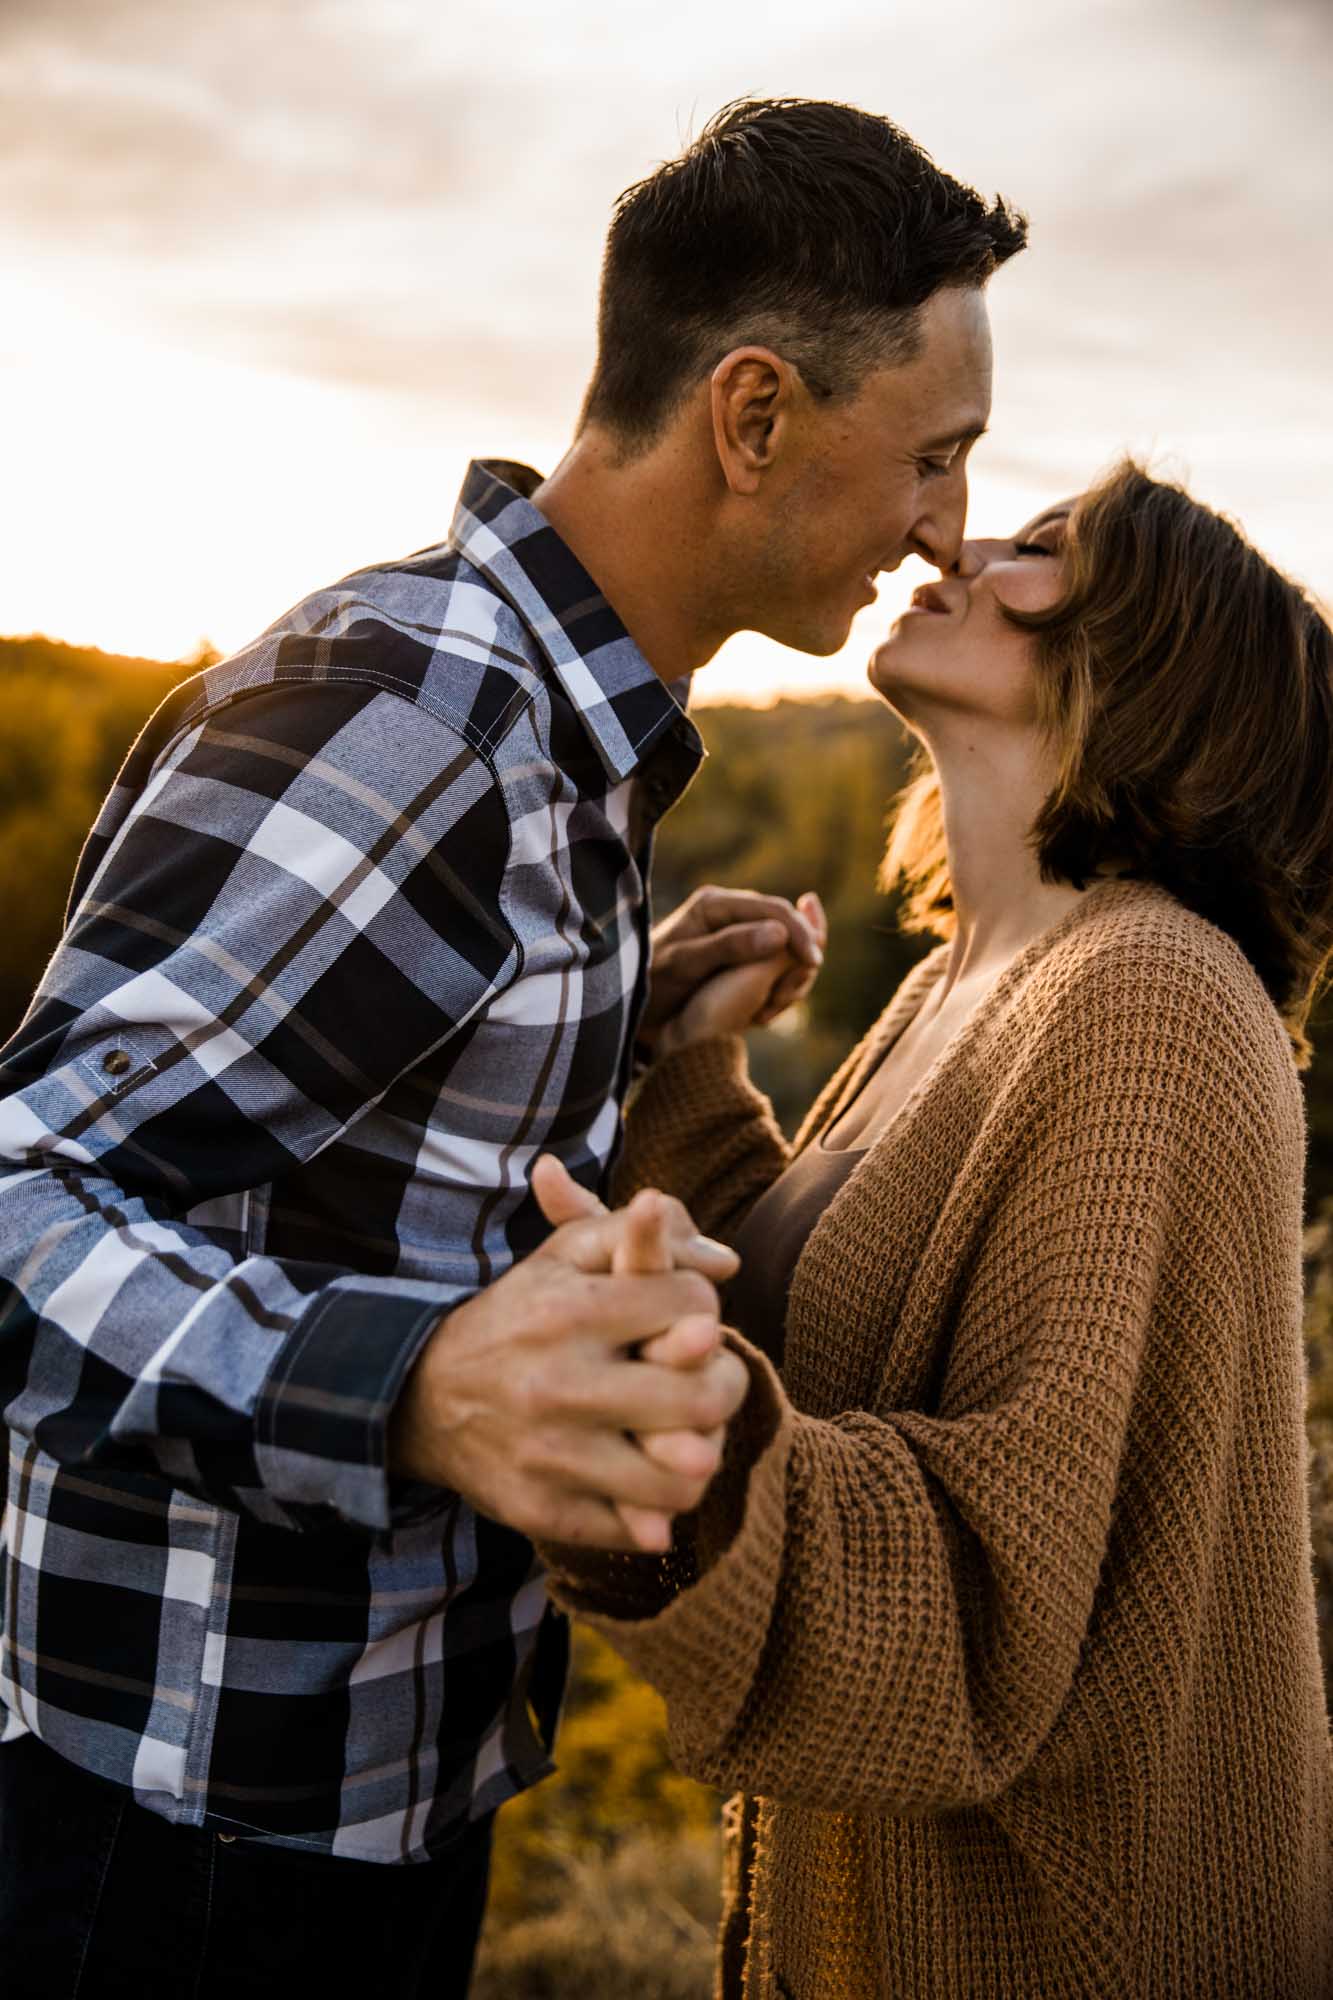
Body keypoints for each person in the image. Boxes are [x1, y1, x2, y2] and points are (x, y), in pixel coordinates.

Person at [0, 98, 1027, 1996]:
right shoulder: (424, 722)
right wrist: (412, 1390)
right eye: (934, 457)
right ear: (752, 416)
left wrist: (624, 1021)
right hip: (182, 1841)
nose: (946, 525)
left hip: (368, 1800)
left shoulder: (561, 752)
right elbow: (21, 1196)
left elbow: (336, 1128)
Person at [535, 462, 1333, 1998]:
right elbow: (815, 1340)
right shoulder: (950, 989)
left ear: (1157, 657)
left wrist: (647, 1440)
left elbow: (990, 1587)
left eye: (1043, 548)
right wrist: (697, 1076)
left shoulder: (1149, 997)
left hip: (1065, 1943)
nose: (960, 545)